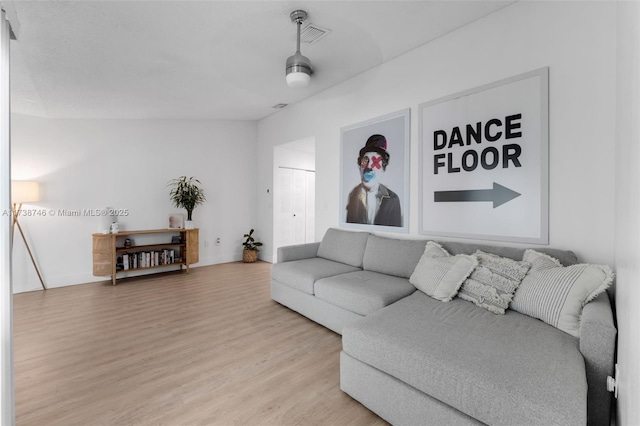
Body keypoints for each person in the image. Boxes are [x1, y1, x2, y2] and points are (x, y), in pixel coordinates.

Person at [346, 134, 402, 226]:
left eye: (375, 162)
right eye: (365, 161)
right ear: (359, 166)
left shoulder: (393, 199)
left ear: (382, 169)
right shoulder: (353, 195)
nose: (369, 167)